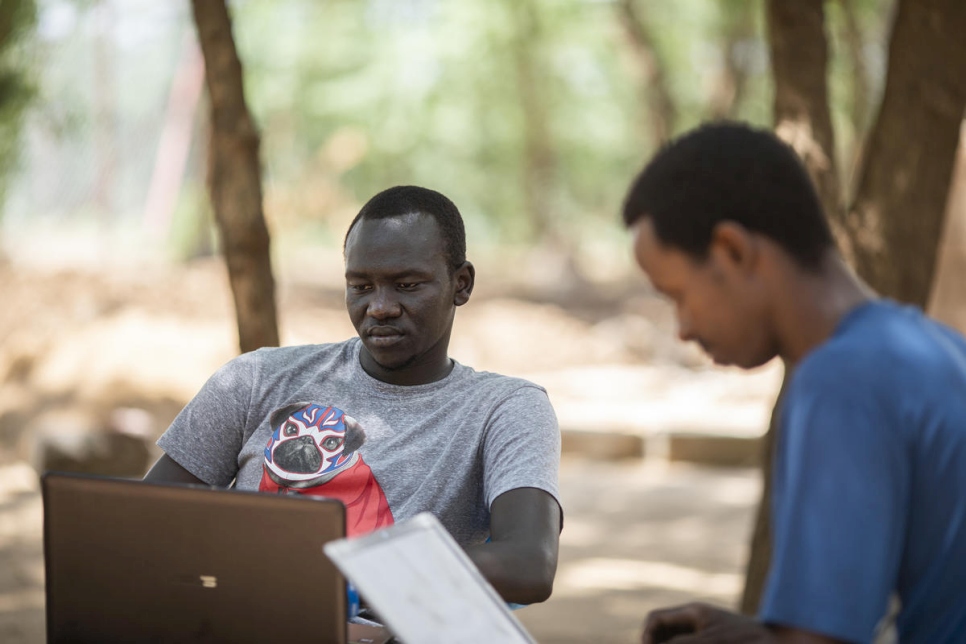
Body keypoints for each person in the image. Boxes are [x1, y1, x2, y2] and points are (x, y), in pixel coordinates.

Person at [621, 122, 966, 643]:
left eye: (678, 295)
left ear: (732, 249)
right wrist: (764, 635)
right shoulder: (934, 349)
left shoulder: (841, 381)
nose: (684, 327)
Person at [145, 185, 562, 606]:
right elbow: (145, 520)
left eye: (407, 284)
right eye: (361, 286)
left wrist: (332, 582)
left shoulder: (504, 409)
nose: (380, 307)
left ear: (461, 284)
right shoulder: (256, 379)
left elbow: (528, 564)